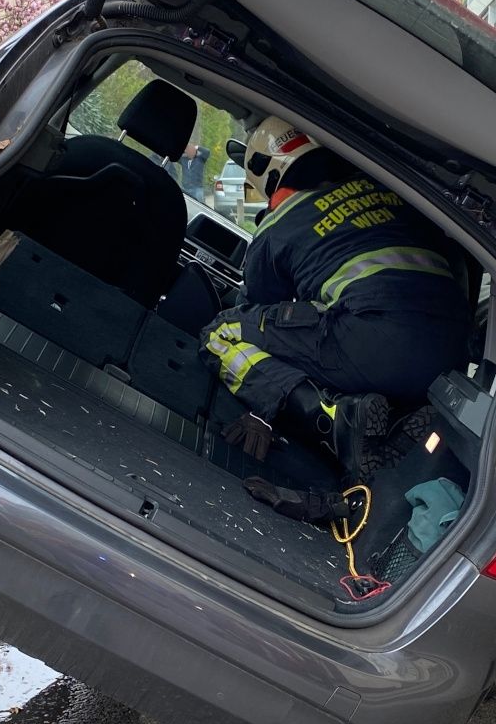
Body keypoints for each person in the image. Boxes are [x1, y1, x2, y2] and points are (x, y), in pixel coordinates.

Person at [200, 117, 473, 478]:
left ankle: (333, 418)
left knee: (222, 334)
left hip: (375, 342)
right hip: (451, 359)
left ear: (266, 173)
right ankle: (395, 421)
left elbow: (255, 309)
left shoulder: (281, 220)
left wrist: (263, 397)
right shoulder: (391, 196)